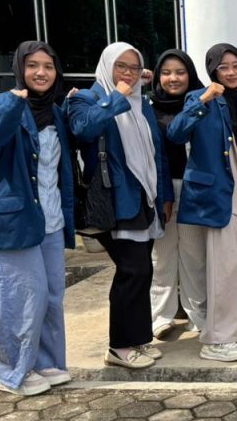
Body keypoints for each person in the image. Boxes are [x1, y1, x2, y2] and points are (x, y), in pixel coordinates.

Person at [0, 41, 75, 395]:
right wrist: (13, 106)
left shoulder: (55, 111)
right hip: (13, 221)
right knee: (19, 297)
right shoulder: (0, 104)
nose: (41, 72)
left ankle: (46, 362)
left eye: (48, 66)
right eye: (32, 65)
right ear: (19, 69)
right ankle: (12, 370)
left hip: (51, 218)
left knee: (50, 296)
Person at [68, 42, 171, 370]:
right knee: (132, 270)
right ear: (107, 66)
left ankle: (138, 338)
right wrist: (117, 97)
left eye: (134, 67)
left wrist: (163, 196)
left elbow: (156, 152)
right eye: (121, 66)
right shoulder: (85, 98)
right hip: (113, 200)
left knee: (143, 270)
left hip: (143, 197)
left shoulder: (142, 103)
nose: (128, 73)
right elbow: (83, 129)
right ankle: (119, 346)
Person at [167, 44, 237, 362]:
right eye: (224, 67)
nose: (232, 72)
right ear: (213, 70)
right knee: (224, 267)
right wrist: (203, 100)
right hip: (216, 194)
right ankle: (217, 339)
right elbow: (175, 133)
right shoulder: (198, 97)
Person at [149, 50, 207, 339]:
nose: (173, 78)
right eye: (167, 72)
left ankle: (198, 314)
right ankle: (160, 316)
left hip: (195, 188)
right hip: (162, 188)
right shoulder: (148, 108)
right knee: (162, 256)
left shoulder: (202, 103)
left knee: (194, 255)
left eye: (180, 72)